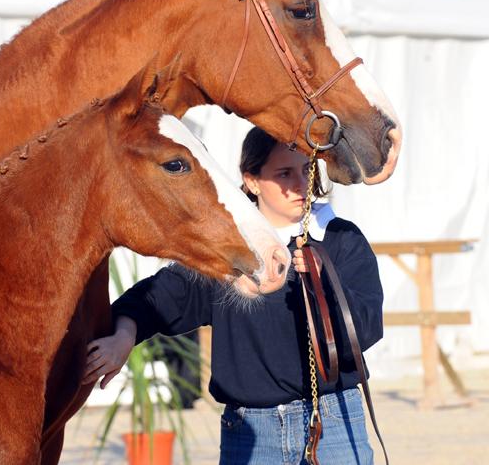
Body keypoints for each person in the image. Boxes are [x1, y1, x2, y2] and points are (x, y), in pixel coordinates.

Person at [82, 126, 383, 465]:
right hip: (251, 431)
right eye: (284, 174)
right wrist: (124, 335)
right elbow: (153, 299)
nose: (300, 184)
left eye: (305, 170)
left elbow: (368, 329)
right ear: (252, 181)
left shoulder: (340, 238)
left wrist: (324, 282)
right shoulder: (225, 249)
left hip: (333, 422)